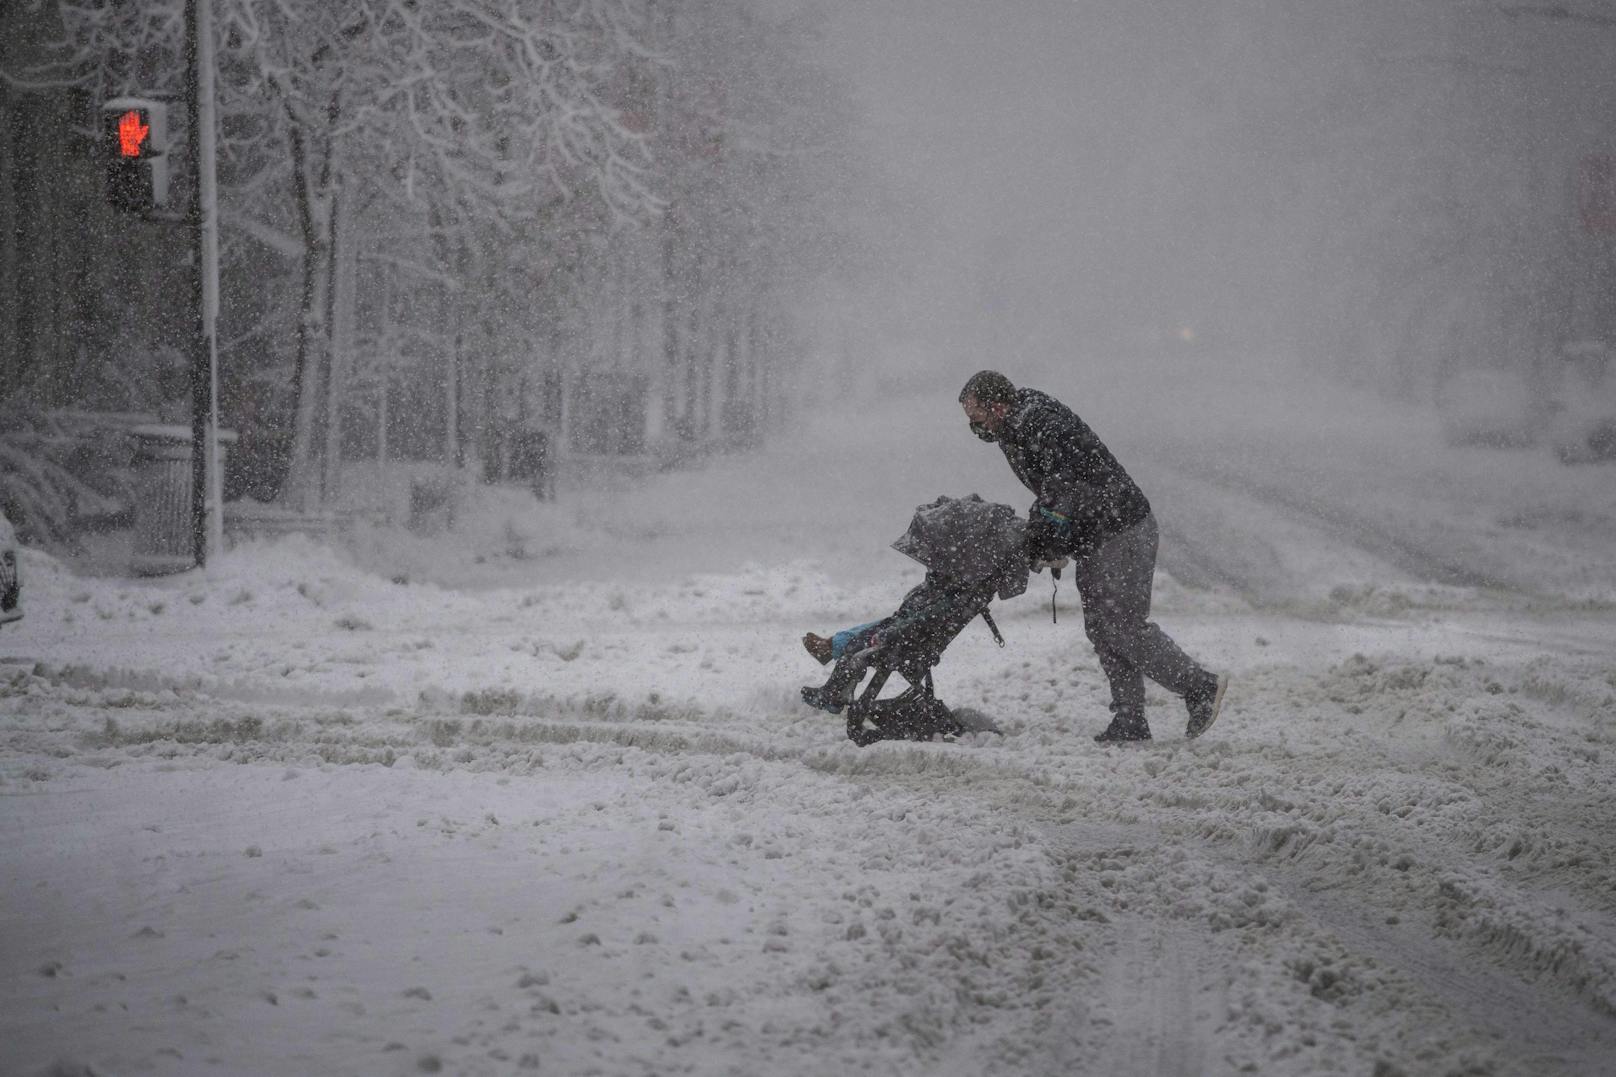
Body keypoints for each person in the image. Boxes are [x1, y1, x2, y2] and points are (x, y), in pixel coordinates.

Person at [959, 369, 1228, 742]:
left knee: (1122, 624)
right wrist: (1044, 534)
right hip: (1097, 534)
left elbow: (1064, 484)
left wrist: (1045, 536)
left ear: (997, 406)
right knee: (1102, 628)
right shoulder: (1017, 426)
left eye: (977, 418)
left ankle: (1199, 686)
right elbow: (1053, 490)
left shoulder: (1035, 422)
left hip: (1121, 529)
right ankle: (1130, 719)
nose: (975, 428)